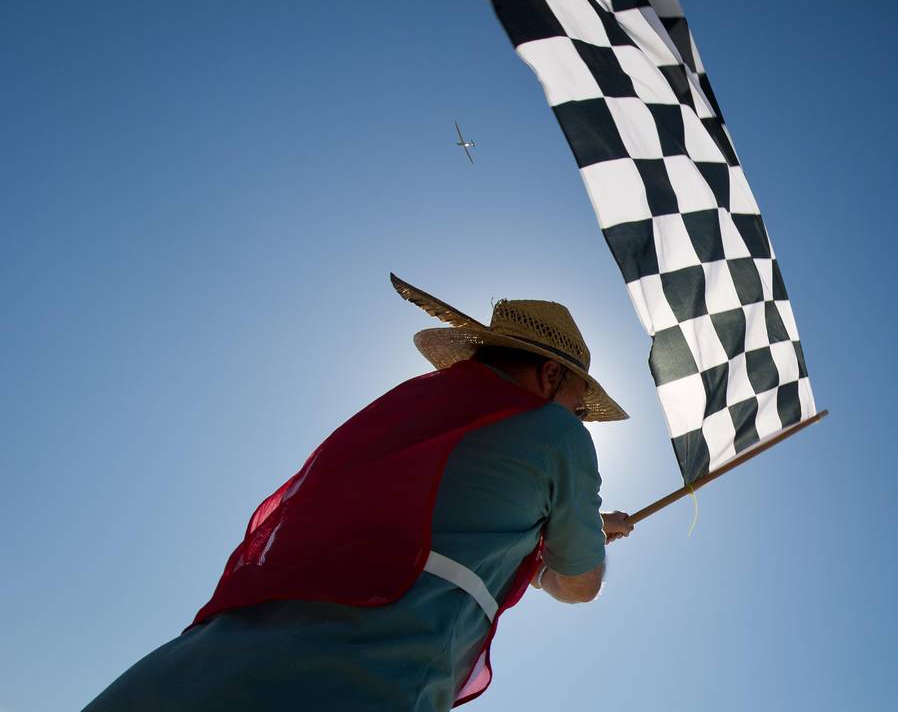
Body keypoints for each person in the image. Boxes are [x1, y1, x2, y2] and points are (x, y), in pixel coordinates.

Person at [84, 275, 634, 711]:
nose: (580, 417)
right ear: (549, 376)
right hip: (358, 683)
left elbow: (461, 516)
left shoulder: (411, 409)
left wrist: (553, 528)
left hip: (197, 669)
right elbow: (578, 583)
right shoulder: (557, 433)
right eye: (581, 404)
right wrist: (581, 535)